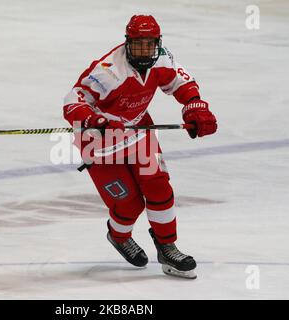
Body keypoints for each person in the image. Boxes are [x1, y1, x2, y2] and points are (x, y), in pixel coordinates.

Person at [63, 15, 217, 279]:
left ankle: (167, 247)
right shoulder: (108, 71)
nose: (145, 50)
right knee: (129, 205)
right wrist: (91, 119)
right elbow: (73, 100)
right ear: (127, 43)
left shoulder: (162, 58)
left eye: (150, 44)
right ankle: (118, 236)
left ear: (158, 43)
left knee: (158, 186)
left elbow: (180, 82)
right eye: (138, 44)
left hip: (137, 132)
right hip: (100, 143)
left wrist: (194, 105)